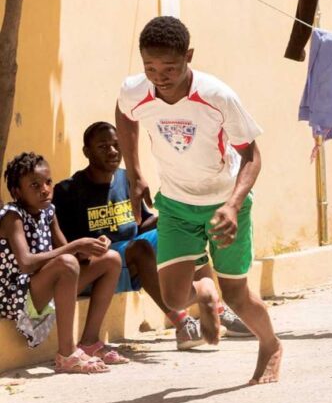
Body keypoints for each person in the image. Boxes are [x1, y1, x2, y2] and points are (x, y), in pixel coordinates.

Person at [115, 16, 282, 385]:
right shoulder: (135, 91)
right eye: (150, 67)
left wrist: (234, 205)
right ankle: (204, 290)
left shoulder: (216, 96)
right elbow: (124, 116)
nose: (159, 76)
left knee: (238, 296)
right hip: (175, 204)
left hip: (224, 204)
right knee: (175, 299)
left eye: (169, 67)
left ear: (188, 56)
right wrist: (135, 172)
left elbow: (252, 155)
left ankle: (270, 345)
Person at [53, 122, 254, 351]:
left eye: (116, 145)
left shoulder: (127, 179)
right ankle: (183, 323)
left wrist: (168, 220)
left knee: (180, 235)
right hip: (99, 269)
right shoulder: (68, 190)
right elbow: (64, 245)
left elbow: (141, 225)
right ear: (86, 152)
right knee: (140, 249)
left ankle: (218, 309)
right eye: (103, 146)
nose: (112, 152)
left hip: (133, 257)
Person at [1, 152, 128, 373]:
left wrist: (92, 247)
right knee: (67, 262)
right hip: (15, 295)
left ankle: (89, 342)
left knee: (111, 259)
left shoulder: (49, 211)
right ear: (17, 192)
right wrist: (75, 247)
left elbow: (72, 254)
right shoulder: (12, 216)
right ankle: (67, 354)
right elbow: (26, 264)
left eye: (48, 182)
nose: (45, 189)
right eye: (34, 185)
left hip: (42, 289)